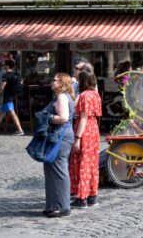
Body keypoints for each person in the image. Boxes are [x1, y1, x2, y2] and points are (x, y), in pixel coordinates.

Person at [42, 73, 75, 218]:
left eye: (54, 80)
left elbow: (63, 118)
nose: (51, 82)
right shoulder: (61, 96)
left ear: (62, 82)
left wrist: (46, 117)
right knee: (51, 170)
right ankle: (52, 205)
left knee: (58, 171)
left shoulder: (62, 96)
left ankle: (62, 206)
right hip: (58, 136)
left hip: (60, 137)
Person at [69, 71, 102, 209]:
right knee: (92, 164)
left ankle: (82, 198)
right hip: (94, 130)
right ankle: (92, 196)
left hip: (85, 131)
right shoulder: (95, 95)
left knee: (82, 164)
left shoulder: (84, 96)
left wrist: (77, 138)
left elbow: (83, 118)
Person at [0, 59, 24, 135]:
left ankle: (20, 130)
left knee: (4, 114)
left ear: (7, 66)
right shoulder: (15, 74)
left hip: (6, 98)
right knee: (1, 115)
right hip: (11, 96)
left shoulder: (5, 75)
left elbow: (1, 88)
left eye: (4, 65)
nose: (3, 66)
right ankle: (20, 130)